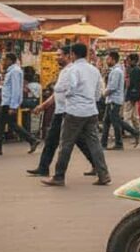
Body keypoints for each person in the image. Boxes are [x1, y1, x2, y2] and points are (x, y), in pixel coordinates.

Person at [41, 43, 110, 187]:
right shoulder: (94, 70)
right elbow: (99, 91)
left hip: (74, 110)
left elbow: (69, 87)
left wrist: (65, 93)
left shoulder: (73, 69)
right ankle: (103, 174)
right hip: (91, 110)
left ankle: (59, 176)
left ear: (72, 54)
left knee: (66, 144)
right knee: (94, 143)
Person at [27, 46, 96, 177]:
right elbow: (57, 93)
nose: (57, 58)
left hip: (67, 112)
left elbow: (69, 90)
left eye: (60, 55)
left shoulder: (71, 71)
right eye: (57, 55)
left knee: (64, 142)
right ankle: (44, 167)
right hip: (63, 111)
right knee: (56, 141)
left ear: (69, 56)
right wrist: (43, 106)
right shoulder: (65, 71)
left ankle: (52, 172)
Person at [0, 53, 40, 155]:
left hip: (8, 103)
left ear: (10, 60)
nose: (3, 62)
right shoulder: (13, 71)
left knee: (0, 124)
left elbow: (16, 89)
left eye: (4, 60)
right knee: (11, 124)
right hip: (8, 101)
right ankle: (32, 140)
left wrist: (13, 106)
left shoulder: (14, 71)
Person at [101, 50, 140, 149]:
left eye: (108, 59)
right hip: (112, 100)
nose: (107, 61)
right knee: (107, 122)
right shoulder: (115, 71)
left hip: (114, 100)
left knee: (116, 121)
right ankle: (104, 143)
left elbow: (112, 87)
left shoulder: (117, 71)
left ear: (113, 60)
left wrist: (104, 94)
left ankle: (132, 134)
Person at [122, 54, 140, 143]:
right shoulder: (135, 70)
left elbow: (134, 84)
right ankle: (137, 132)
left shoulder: (135, 70)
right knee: (134, 116)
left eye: (129, 60)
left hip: (131, 95)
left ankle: (131, 132)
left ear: (133, 61)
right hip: (133, 95)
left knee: (127, 115)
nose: (128, 62)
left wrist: (131, 96)